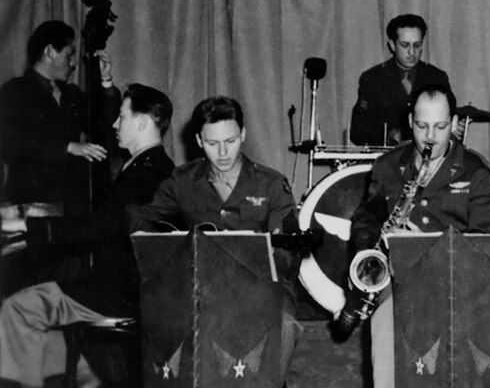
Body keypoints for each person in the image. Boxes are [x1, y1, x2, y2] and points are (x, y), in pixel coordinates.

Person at [0, 84, 175, 388]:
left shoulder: (146, 174)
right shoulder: (155, 167)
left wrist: (27, 227)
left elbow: (98, 227)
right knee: (43, 307)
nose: (114, 124)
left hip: (122, 294)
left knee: (18, 307)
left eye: (121, 117)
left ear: (143, 122)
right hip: (124, 288)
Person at [129, 96, 301, 380]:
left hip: (261, 290)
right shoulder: (183, 181)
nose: (223, 153)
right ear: (198, 140)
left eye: (231, 141)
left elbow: (288, 255)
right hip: (201, 289)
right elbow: (142, 218)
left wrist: (266, 255)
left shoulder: (271, 184)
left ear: (243, 135)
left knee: (284, 323)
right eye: (212, 144)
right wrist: (166, 242)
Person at [349, 83, 490, 388]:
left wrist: (431, 244)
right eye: (422, 126)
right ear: (410, 123)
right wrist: (375, 247)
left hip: (457, 281)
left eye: (440, 126)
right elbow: (365, 220)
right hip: (398, 276)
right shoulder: (387, 166)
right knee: (384, 323)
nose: (430, 137)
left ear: (455, 124)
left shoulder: (478, 173)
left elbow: (486, 243)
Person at [0, 20, 118, 213]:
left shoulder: (71, 94)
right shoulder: (14, 92)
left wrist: (105, 80)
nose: (73, 64)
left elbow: (106, 124)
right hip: (27, 205)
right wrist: (68, 147)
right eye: (69, 55)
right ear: (50, 51)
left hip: (69, 205)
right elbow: (11, 144)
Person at [349, 14, 451, 146]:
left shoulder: (437, 78)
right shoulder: (372, 79)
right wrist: (388, 135)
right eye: (405, 45)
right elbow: (357, 132)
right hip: (385, 159)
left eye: (417, 45)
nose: (412, 52)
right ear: (392, 45)